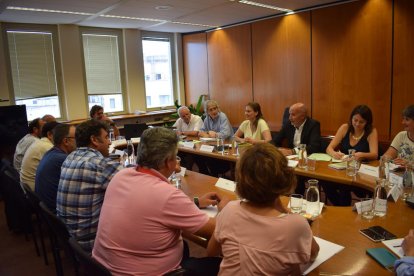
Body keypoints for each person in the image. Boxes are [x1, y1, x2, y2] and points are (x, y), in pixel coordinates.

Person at [93, 127, 227, 275]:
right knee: (219, 265)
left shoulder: (121, 176)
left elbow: (152, 207)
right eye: (175, 156)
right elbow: (218, 230)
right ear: (167, 162)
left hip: (105, 268)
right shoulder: (167, 195)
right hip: (145, 272)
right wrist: (226, 210)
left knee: (185, 248)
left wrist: (194, 203)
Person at [207, 143, 319, 275]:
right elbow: (313, 254)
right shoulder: (296, 224)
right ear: (285, 178)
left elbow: (211, 252)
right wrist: (287, 212)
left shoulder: (229, 209)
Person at [56, 119, 123, 252]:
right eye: (106, 137)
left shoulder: (69, 158)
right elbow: (138, 186)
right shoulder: (99, 164)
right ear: (94, 140)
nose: (109, 142)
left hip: (70, 237)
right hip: (90, 239)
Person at [324, 105, 378, 206]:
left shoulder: (371, 131)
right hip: (341, 168)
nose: (357, 124)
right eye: (355, 120)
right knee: (325, 182)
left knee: (344, 186)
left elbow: (375, 154)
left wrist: (362, 154)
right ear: (351, 118)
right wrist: (334, 154)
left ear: (367, 122)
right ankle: (341, 208)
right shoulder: (345, 128)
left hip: (359, 172)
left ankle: (343, 210)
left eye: (361, 122)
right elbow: (329, 148)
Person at [35, 124, 76, 212]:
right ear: (66, 141)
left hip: (47, 211)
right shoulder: (63, 159)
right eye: (76, 137)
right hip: (56, 214)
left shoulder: (51, 153)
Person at [20, 121, 59, 190]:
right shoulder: (47, 147)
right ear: (50, 134)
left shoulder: (40, 142)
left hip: (28, 188)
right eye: (60, 134)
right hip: (35, 190)